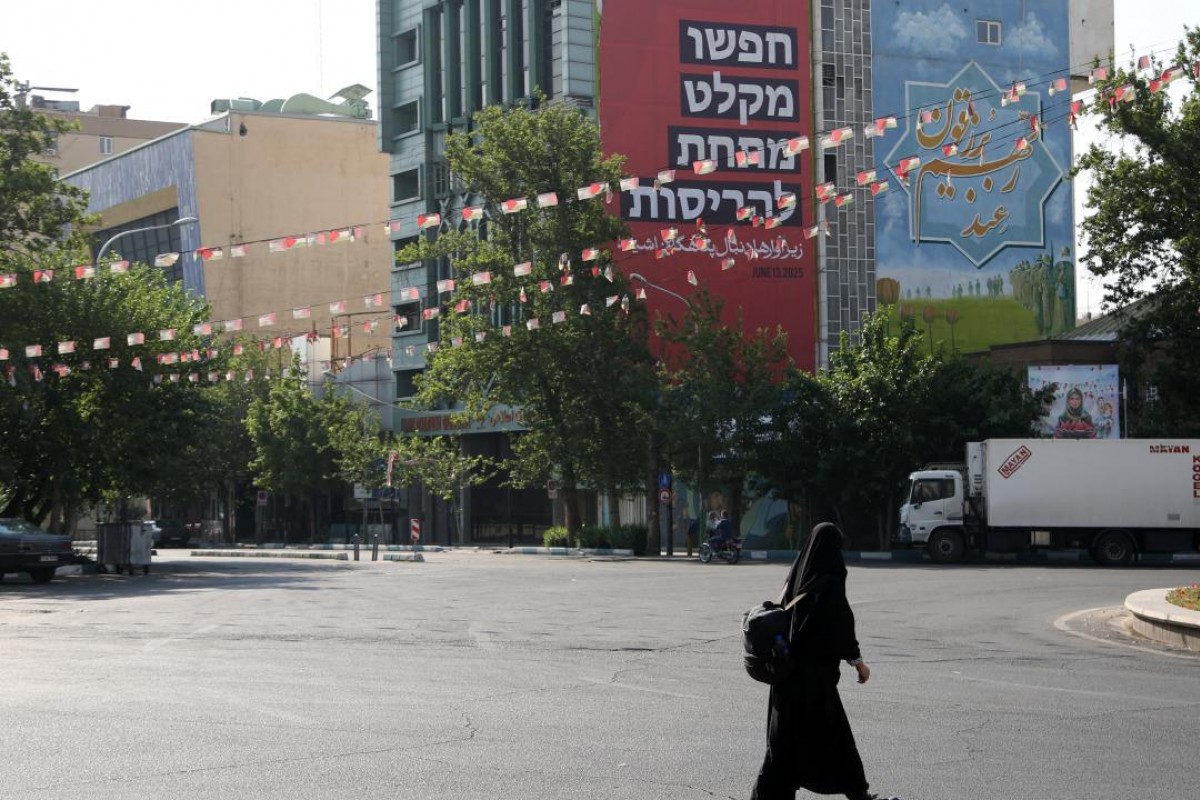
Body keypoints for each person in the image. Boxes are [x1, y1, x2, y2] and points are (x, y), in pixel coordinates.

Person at [749, 523, 898, 800]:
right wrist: (858, 662)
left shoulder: (797, 575)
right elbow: (841, 624)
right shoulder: (828, 580)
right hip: (815, 681)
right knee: (834, 739)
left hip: (786, 677)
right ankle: (858, 794)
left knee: (783, 744)